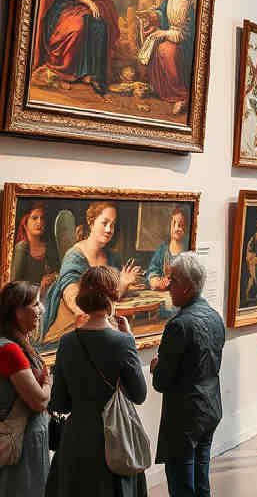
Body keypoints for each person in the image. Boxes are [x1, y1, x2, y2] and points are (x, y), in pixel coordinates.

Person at [45, 266, 149, 496]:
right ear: (112, 296)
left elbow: (60, 403)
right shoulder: (123, 342)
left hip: (76, 439)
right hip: (113, 439)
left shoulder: (67, 342)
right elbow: (139, 394)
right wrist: (129, 339)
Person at [150, 253, 225, 497]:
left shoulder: (178, 325)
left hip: (184, 416)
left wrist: (157, 367)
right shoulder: (215, 317)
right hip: (209, 407)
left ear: (188, 286)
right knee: (201, 482)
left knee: (182, 487)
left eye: (173, 280)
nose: (168, 286)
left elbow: (161, 381)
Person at [42, 202, 143, 344]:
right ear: (91, 223)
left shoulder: (112, 257)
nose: (109, 229)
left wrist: (126, 282)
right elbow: (72, 295)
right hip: (73, 324)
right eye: (104, 223)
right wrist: (122, 284)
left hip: (103, 322)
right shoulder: (75, 256)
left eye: (112, 225)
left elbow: (110, 296)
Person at [0, 281, 51, 494]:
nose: (42, 309)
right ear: (18, 313)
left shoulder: (16, 344)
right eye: (36, 304)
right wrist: (48, 383)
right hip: (22, 443)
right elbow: (39, 401)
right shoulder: (10, 350)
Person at [138, 0, 195, 115]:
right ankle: (160, 88)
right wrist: (152, 14)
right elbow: (161, 13)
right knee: (155, 45)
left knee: (167, 51)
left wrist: (164, 33)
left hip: (182, 43)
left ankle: (180, 95)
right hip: (168, 35)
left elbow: (186, 34)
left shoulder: (189, 4)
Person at [11, 202, 61, 290]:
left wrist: (53, 277)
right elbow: (14, 284)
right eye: (34, 218)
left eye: (42, 218)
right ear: (25, 223)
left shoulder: (49, 247)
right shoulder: (21, 247)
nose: (39, 222)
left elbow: (59, 273)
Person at [147, 207, 189, 291]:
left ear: (186, 228)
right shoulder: (163, 250)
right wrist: (156, 281)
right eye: (174, 224)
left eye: (181, 225)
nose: (176, 228)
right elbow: (152, 270)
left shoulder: (188, 251)